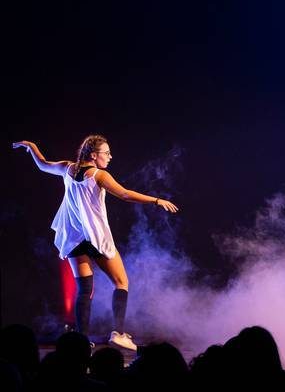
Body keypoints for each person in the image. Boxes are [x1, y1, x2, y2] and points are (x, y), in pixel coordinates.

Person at [13, 136, 179, 350]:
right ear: (93, 155)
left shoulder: (67, 168)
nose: (110, 157)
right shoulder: (99, 175)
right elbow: (125, 194)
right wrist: (156, 200)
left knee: (84, 290)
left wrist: (32, 147)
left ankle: (81, 341)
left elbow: (43, 164)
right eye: (106, 153)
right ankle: (118, 333)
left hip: (74, 239)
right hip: (96, 238)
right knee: (121, 282)